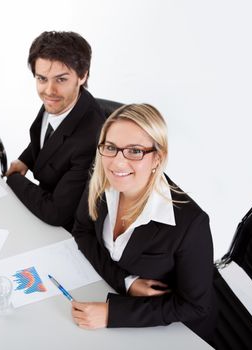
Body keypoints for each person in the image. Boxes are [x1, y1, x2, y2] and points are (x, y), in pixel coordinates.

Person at [71, 104, 216, 343]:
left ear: (157, 157)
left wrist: (112, 314)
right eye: (111, 147)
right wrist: (126, 283)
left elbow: (195, 306)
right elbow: (82, 231)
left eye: (135, 151)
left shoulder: (190, 224)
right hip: (109, 298)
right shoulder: (101, 180)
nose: (117, 162)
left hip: (174, 331)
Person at [5, 31, 105, 231]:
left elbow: (56, 213)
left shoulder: (89, 140)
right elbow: (47, 137)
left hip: (65, 228)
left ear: (82, 75)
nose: (49, 90)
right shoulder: (61, 101)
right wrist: (25, 160)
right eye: (42, 79)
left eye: (61, 79)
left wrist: (13, 179)